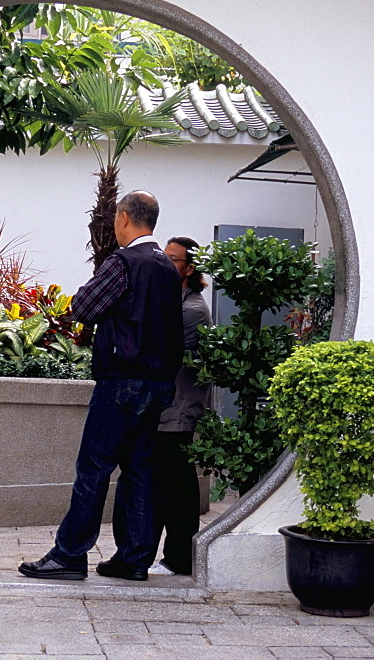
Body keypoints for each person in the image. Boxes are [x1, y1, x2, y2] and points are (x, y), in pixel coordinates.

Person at [18, 191, 184, 582]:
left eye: (115, 220)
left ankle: (70, 555)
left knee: (94, 467)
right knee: (139, 470)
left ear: (124, 218)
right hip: (158, 383)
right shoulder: (166, 266)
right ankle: (133, 558)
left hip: (122, 379)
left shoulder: (124, 261)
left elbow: (84, 306)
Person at [148, 236, 213, 576]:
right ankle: (174, 557)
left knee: (178, 487)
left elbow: (163, 353)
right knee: (171, 482)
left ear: (189, 269)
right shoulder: (173, 301)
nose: (165, 263)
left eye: (173, 260)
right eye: (164, 256)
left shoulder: (192, 311)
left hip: (179, 410)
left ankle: (179, 559)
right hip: (168, 409)